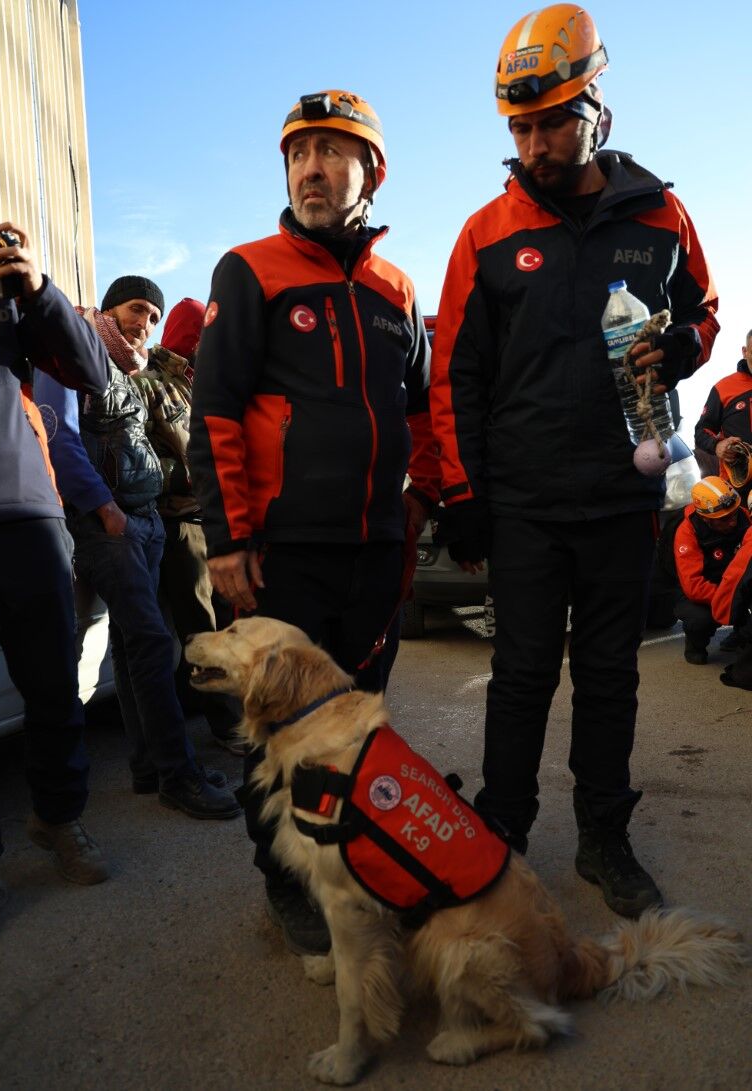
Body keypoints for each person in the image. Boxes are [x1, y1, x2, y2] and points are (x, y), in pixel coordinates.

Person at [429, 4, 719, 919]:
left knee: (611, 675)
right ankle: (502, 835)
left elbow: (704, 312)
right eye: (520, 125)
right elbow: (453, 376)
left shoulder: (662, 213)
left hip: (620, 498)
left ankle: (605, 836)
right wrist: (464, 493)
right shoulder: (484, 233)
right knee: (519, 674)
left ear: (598, 108)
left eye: (553, 119)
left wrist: (682, 349)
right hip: (521, 504)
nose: (535, 141)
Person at [190, 89, 439, 955]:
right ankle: (288, 885)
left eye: (333, 152)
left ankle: (357, 865)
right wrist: (227, 539)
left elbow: (417, 416)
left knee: (359, 724)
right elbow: (214, 409)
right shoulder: (248, 268)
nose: (311, 169)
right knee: (278, 733)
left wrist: (415, 505)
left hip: (374, 550)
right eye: (299, 154)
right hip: (279, 555)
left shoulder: (397, 288)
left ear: (371, 172)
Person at [33, 277, 240, 820]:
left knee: (131, 648)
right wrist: (106, 510)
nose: (143, 322)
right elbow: (61, 438)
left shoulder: (132, 369)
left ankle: (149, 767)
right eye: (134, 309)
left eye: (152, 314)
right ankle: (180, 773)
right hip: (110, 526)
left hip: (142, 522)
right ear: (108, 308)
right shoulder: (74, 353)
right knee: (151, 642)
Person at [0, 220, 111, 944]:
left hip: (24, 514)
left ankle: (59, 818)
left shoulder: (4, 294)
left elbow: (91, 372)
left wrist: (37, 290)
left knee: (53, 686)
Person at [132, 298, 243, 755]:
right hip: (179, 523)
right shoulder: (149, 384)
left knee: (227, 622)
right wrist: (203, 476)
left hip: (215, 521)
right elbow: (141, 460)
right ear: (192, 337)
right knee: (203, 630)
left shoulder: (202, 385)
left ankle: (213, 710)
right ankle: (228, 726)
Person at [673, 478, 751, 664]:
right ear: (705, 518)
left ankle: (741, 635)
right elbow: (693, 585)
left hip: (735, 585)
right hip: (705, 592)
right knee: (699, 620)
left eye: (733, 514)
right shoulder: (687, 533)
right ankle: (695, 643)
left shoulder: (744, 517)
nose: (732, 522)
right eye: (724, 519)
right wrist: (728, 598)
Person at [694, 328, 752, 501]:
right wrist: (717, 445)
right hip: (737, 492)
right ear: (745, 351)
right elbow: (701, 431)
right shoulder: (723, 388)